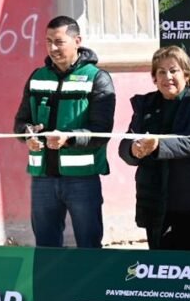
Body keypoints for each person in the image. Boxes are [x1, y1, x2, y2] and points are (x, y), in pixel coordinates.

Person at [13, 16, 115, 248]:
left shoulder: (98, 78)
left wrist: (68, 139)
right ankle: (51, 286)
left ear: (77, 41)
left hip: (83, 179)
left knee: (89, 246)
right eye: (48, 42)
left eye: (59, 42)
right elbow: (20, 123)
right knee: (46, 248)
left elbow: (102, 132)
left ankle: (91, 286)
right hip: (42, 179)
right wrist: (28, 134)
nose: (52, 48)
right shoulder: (37, 77)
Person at [119, 46, 190, 250]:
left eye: (173, 70)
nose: (167, 77)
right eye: (161, 72)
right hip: (154, 202)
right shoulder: (145, 105)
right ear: (154, 78)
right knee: (160, 267)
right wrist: (134, 150)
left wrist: (157, 146)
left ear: (187, 75)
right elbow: (125, 144)